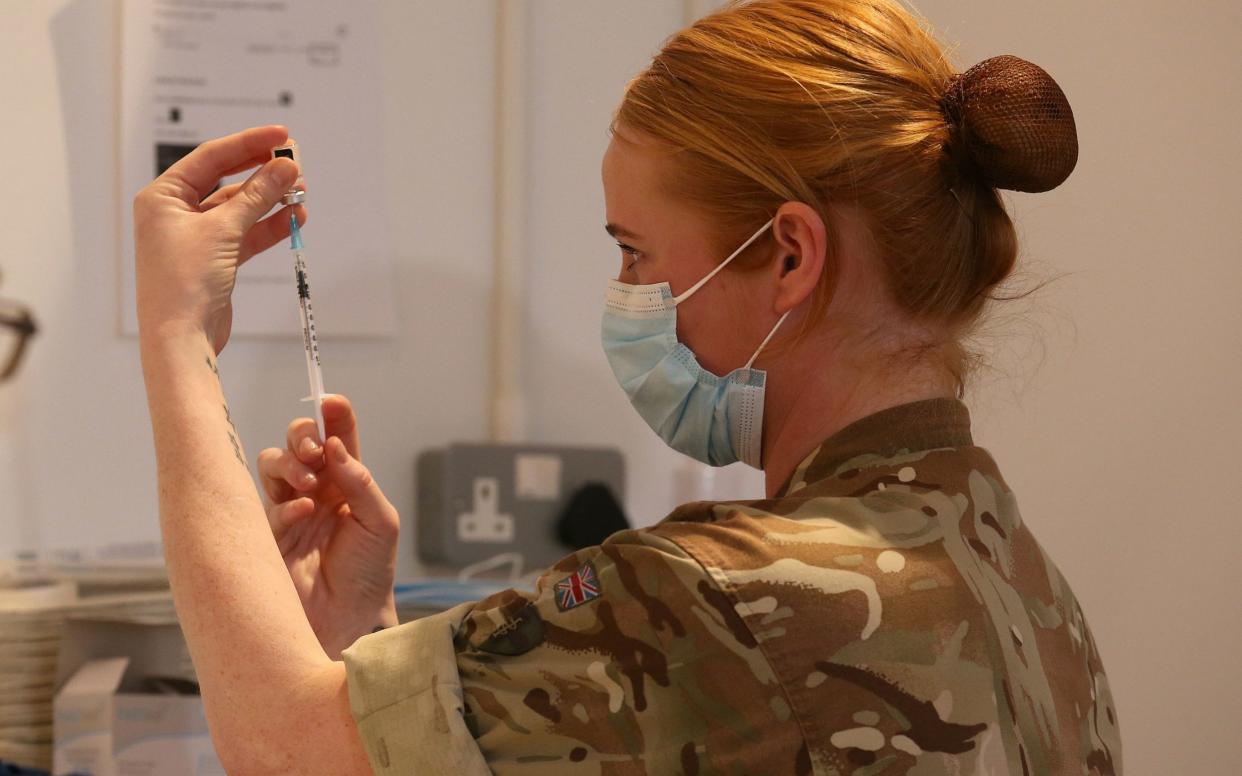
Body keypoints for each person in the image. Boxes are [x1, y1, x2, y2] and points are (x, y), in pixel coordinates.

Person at [133, 1, 1122, 774]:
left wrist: (180, 337)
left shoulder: (724, 596)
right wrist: (359, 639)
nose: (628, 295)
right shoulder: (1029, 584)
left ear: (786, 255)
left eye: (636, 252)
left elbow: (277, 745)